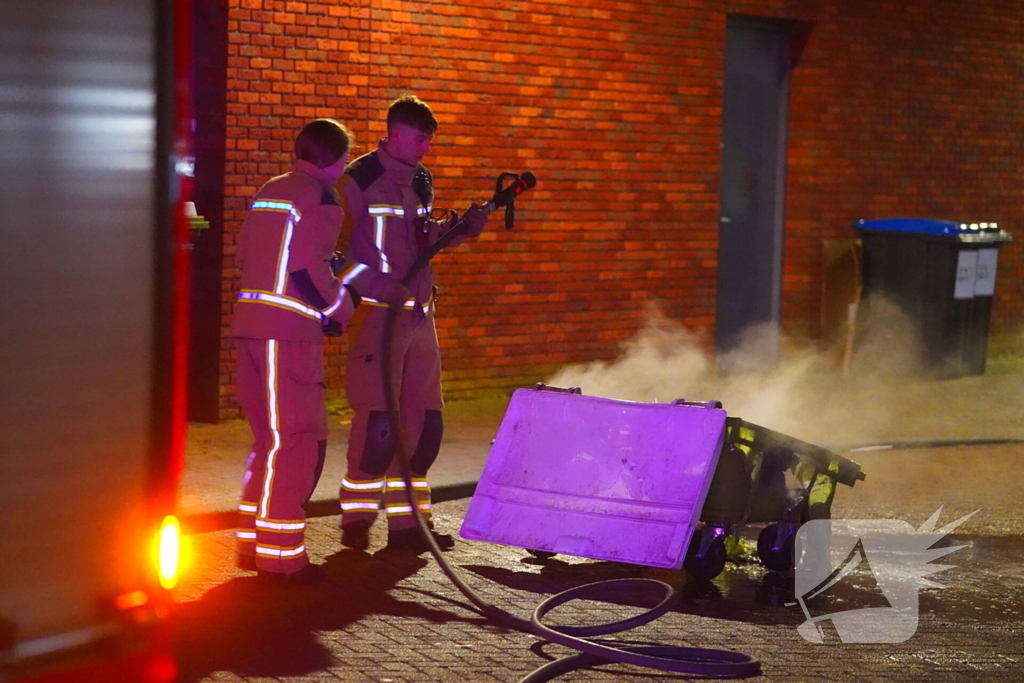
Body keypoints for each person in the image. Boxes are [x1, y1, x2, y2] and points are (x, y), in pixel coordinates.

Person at [335, 95, 489, 553]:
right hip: (378, 318)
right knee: (379, 424)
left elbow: (423, 243)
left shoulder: (421, 181)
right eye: (421, 139)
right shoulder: (357, 181)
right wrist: (378, 287)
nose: (426, 149)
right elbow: (333, 256)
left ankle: (409, 526)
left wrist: (462, 230)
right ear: (396, 132)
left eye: (430, 140)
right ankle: (356, 520)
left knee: (424, 425)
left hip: (421, 315)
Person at [232, 118, 367, 583]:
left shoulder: (273, 187)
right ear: (332, 159)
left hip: (249, 327)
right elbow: (308, 271)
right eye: (346, 158)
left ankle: (253, 545)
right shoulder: (321, 198)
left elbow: (245, 255)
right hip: (287, 336)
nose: (345, 166)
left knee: (268, 441)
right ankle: (282, 558)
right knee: (296, 442)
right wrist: (342, 306)